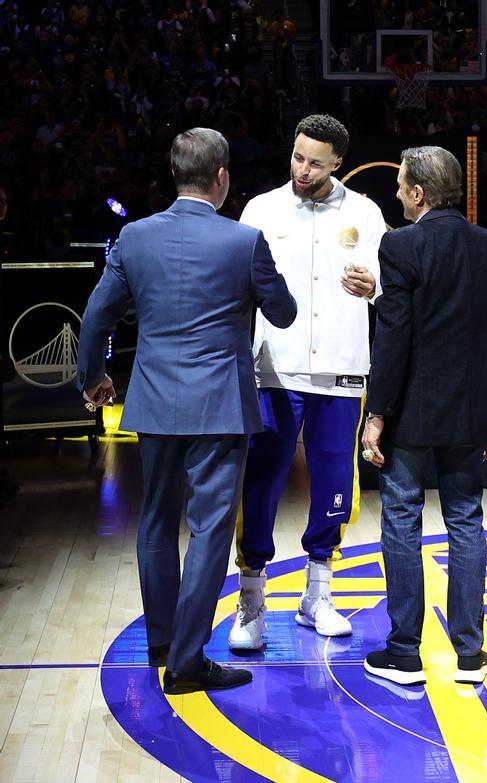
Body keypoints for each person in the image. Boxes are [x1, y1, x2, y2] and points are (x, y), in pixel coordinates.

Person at [76, 128, 296, 693]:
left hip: (153, 401)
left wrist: (93, 378)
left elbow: (97, 315)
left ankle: (162, 641)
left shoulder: (133, 236)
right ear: (221, 176)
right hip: (220, 405)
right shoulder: (244, 241)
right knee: (209, 530)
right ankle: (188, 662)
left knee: (154, 521)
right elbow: (285, 313)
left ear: (175, 175)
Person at [359, 146, 487, 686]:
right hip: (473, 411)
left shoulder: (401, 245)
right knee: (466, 521)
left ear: (419, 193)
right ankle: (470, 657)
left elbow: (393, 338)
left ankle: (405, 653)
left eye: (401, 185)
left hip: (412, 411)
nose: (397, 193)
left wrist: (376, 413)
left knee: (402, 517)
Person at [228, 114, 386, 651]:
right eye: (298, 157)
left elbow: (389, 279)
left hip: (341, 370)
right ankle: (251, 602)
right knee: (262, 482)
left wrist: (376, 283)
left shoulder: (365, 212)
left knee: (336, 483)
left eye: (315, 162)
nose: (303, 168)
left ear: (338, 162)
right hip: (272, 368)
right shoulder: (260, 210)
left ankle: (318, 594)